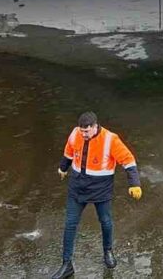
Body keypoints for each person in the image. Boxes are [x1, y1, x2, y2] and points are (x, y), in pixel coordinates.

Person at [49, 111, 142, 279]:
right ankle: (66, 264)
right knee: (70, 224)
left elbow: (128, 160)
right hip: (77, 187)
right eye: (81, 131)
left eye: (86, 131)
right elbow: (69, 152)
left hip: (101, 189)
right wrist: (63, 168)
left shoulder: (110, 139)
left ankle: (108, 251)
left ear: (95, 126)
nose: (83, 134)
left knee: (105, 221)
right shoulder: (76, 134)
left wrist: (134, 183)